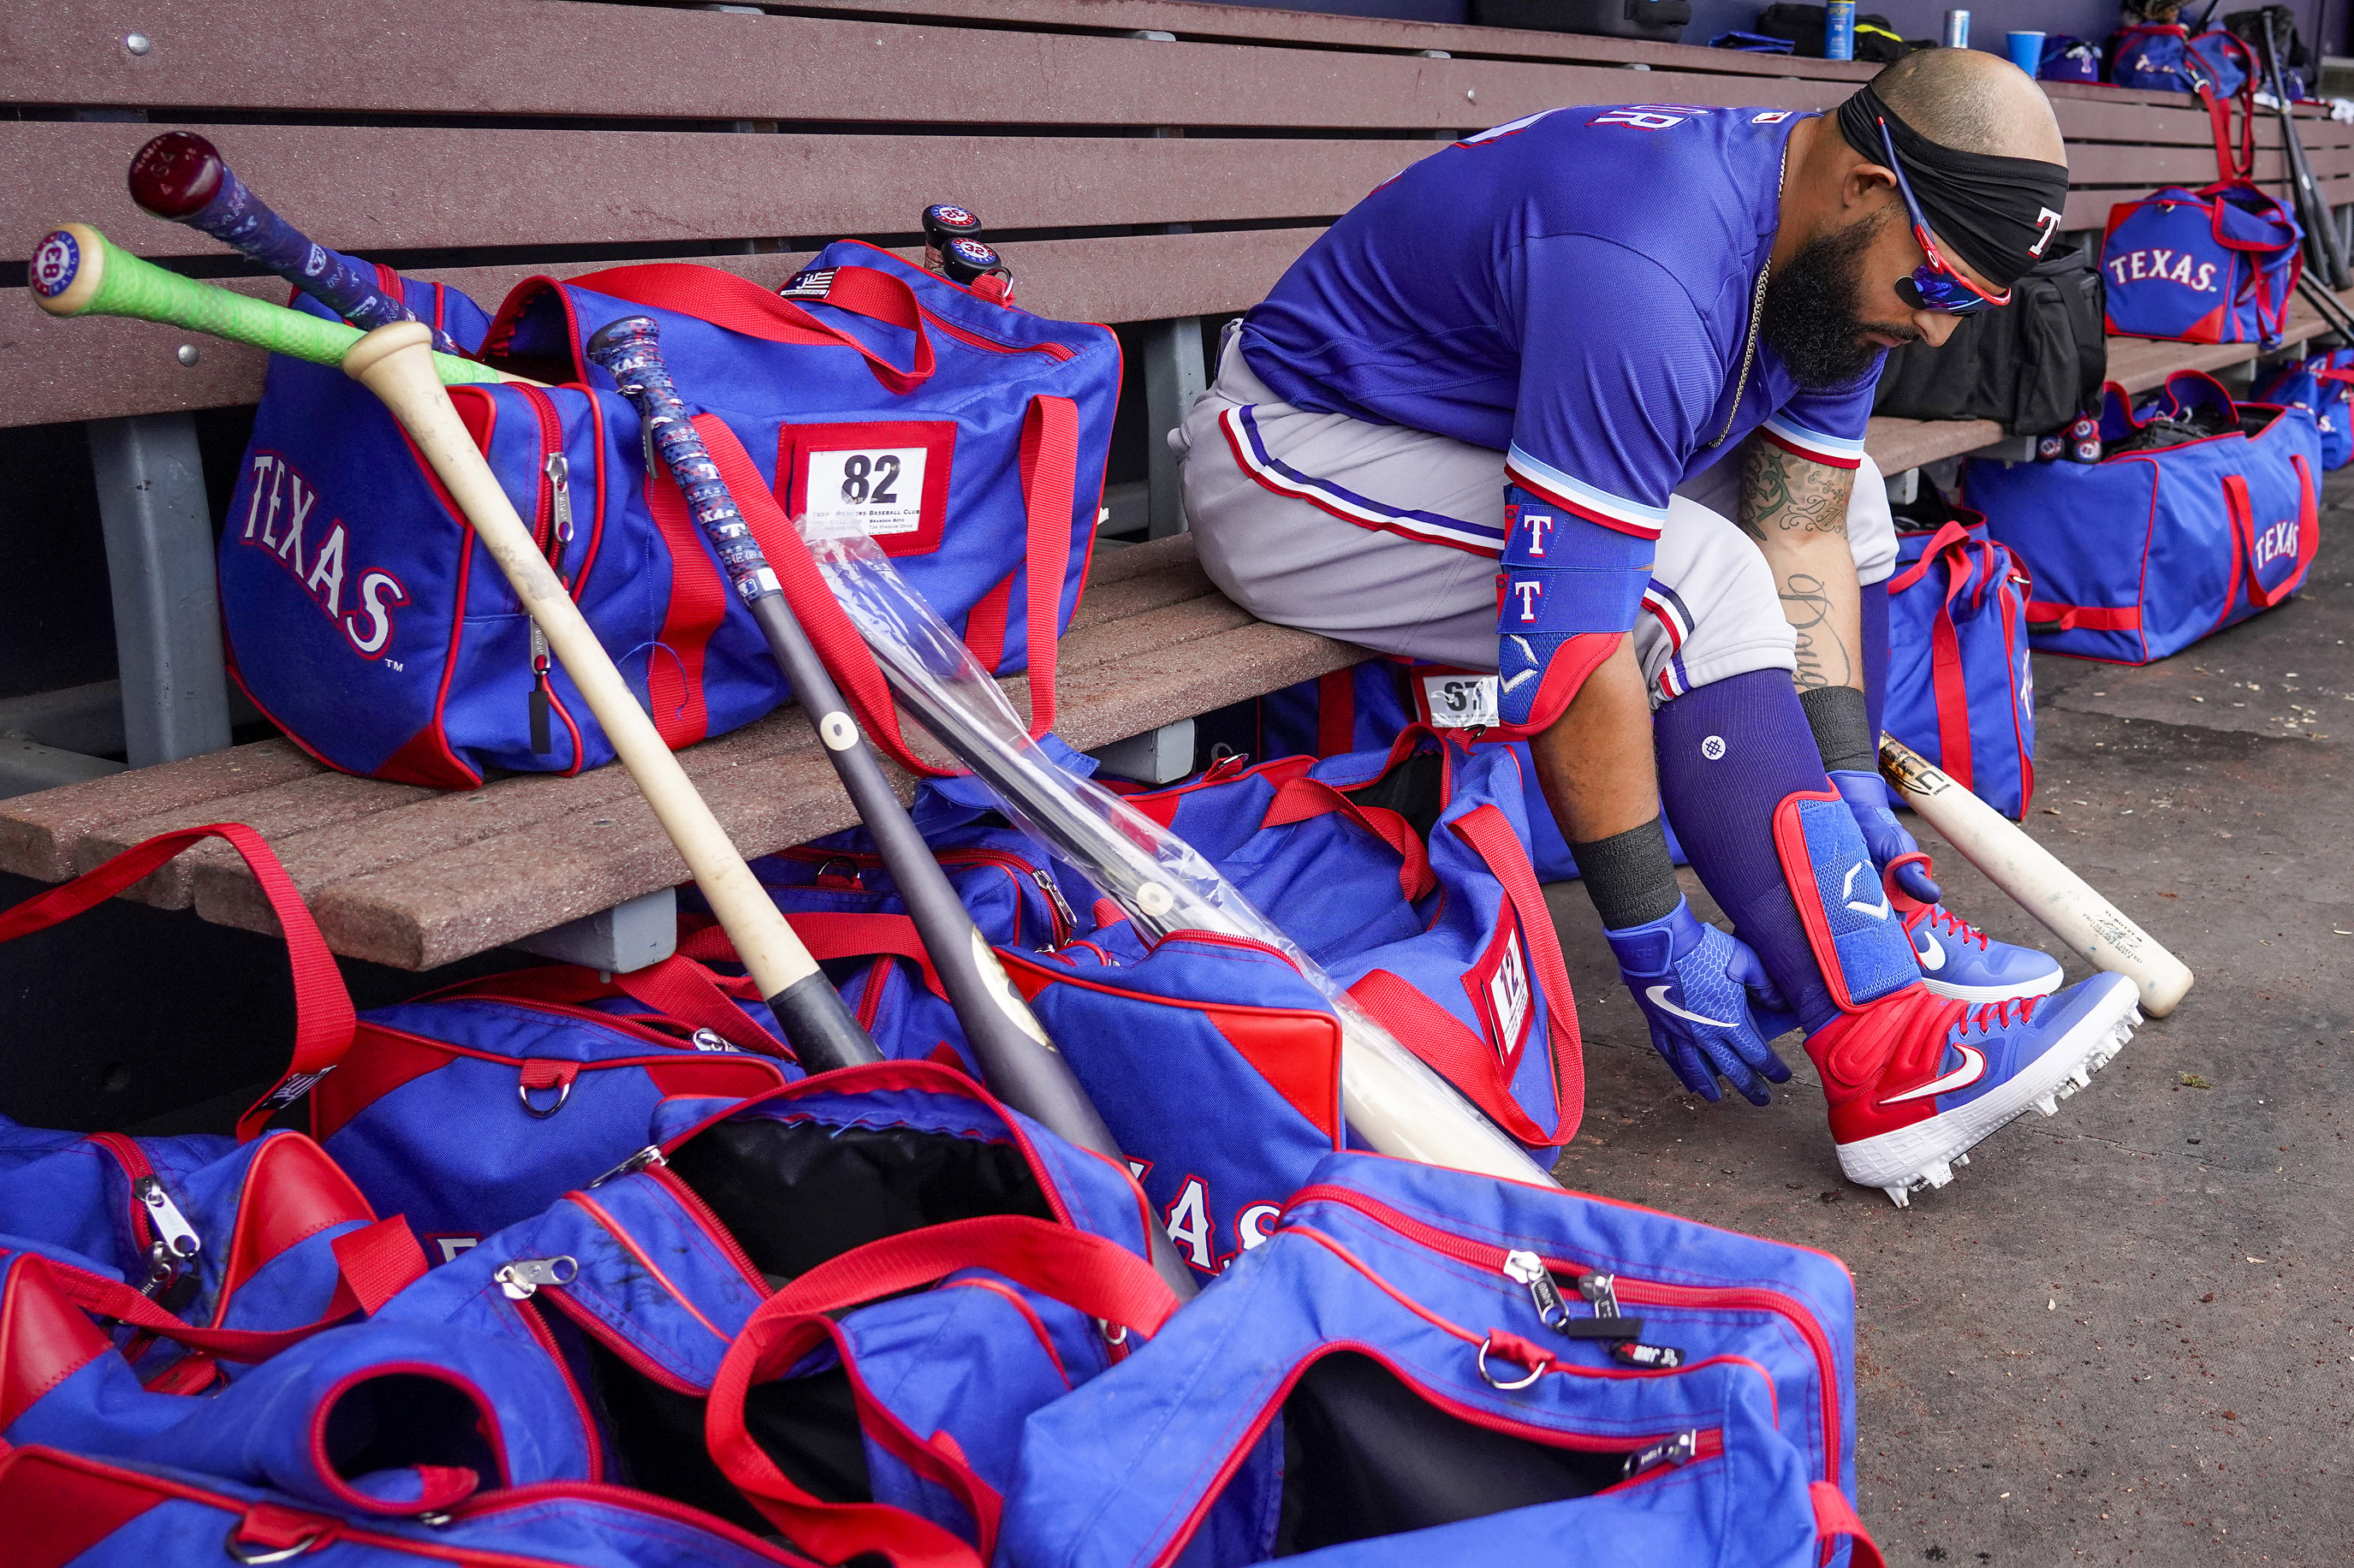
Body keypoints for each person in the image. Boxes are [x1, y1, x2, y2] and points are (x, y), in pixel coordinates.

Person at [1173, 50, 2138, 1205]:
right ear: (1865, 189)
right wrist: (1652, 935)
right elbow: (1570, 654)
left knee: (1855, 507)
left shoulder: (1821, 260)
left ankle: (1858, 936)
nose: (1934, 335)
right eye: (1933, 292)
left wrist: (1847, 795)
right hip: (1296, 456)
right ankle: (1881, 1047)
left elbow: (1804, 527)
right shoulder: (1647, 264)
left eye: (1967, 309)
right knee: (1689, 574)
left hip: (1479, 435)